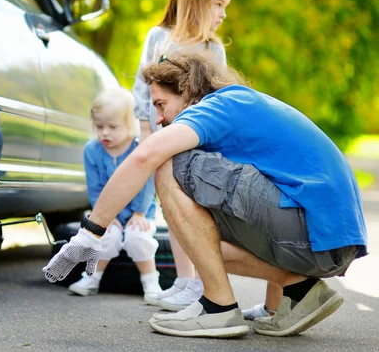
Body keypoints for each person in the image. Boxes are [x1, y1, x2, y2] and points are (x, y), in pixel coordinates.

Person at [43, 52, 367, 339]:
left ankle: (218, 308)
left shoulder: (218, 105)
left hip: (313, 230)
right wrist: (274, 307)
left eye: (160, 104)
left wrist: (91, 233)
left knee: (168, 163)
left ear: (186, 91)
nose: (158, 118)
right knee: (200, 237)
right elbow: (276, 184)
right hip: (326, 240)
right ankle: (296, 293)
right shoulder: (242, 107)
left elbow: (145, 156)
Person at [132, 0, 280, 316]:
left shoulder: (212, 48)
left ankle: (202, 282)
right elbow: (143, 86)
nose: (223, 14)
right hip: (164, 134)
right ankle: (184, 281)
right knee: (173, 209)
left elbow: (221, 96)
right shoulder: (159, 38)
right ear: (198, 1)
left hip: (200, 141)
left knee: (197, 211)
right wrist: (144, 128)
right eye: (218, 4)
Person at [66, 88, 162, 301]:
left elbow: (147, 184)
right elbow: (95, 188)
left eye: (112, 127)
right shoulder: (92, 150)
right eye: (99, 127)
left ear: (130, 125)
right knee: (104, 237)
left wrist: (139, 214)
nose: (104, 133)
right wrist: (105, 217)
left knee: (138, 238)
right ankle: (91, 278)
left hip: (140, 211)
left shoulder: (139, 148)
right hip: (107, 212)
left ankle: (151, 281)